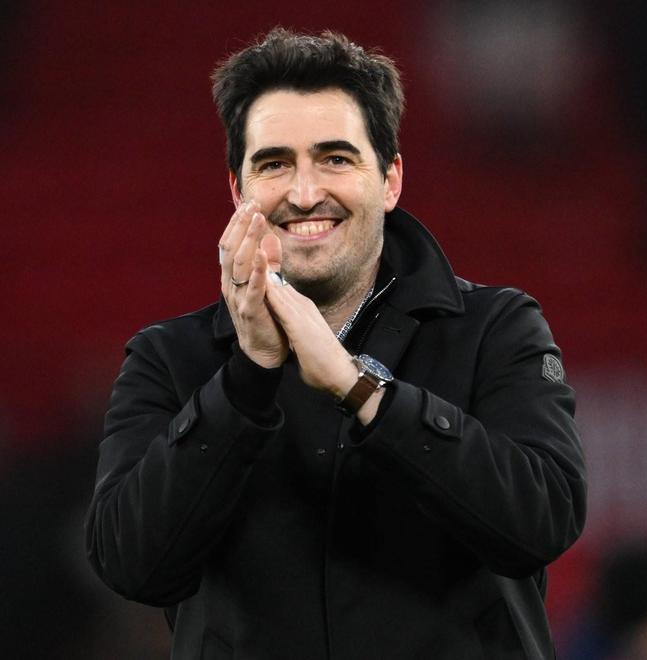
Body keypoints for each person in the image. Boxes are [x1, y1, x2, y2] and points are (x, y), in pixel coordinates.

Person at [85, 28, 587, 659]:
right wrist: (246, 381)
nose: (304, 194)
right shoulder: (168, 359)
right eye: (274, 164)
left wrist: (362, 389)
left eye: (336, 159)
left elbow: (543, 520)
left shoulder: (496, 328)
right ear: (238, 191)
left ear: (391, 179)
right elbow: (132, 565)